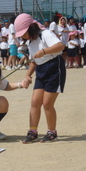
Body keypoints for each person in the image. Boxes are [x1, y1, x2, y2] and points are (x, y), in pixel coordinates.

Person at [14, 13, 66, 143]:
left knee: (47, 103)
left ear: (31, 27)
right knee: (35, 102)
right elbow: (33, 61)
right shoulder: (31, 41)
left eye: (23, 32)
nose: (22, 36)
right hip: (41, 71)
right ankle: (33, 131)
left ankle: (52, 132)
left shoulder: (45, 34)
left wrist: (44, 51)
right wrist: (27, 75)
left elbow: (60, 46)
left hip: (54, 68)